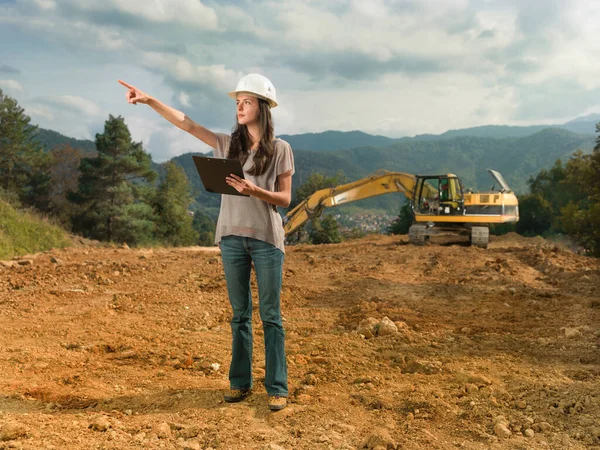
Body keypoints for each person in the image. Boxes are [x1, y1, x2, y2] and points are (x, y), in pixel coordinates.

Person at [118, 74, 294, 411]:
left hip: (267, 240)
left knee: (270, 315)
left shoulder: (281, 149)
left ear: (263, 107)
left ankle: (277, 387)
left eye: (246, 101)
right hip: (230, 238)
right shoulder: (228, 144)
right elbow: (187, 124)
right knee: (239, 315)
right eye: (237, 102)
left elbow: (285, 198)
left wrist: (254, 190)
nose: (239, 107)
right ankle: (240, 384)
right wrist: (150, 99)